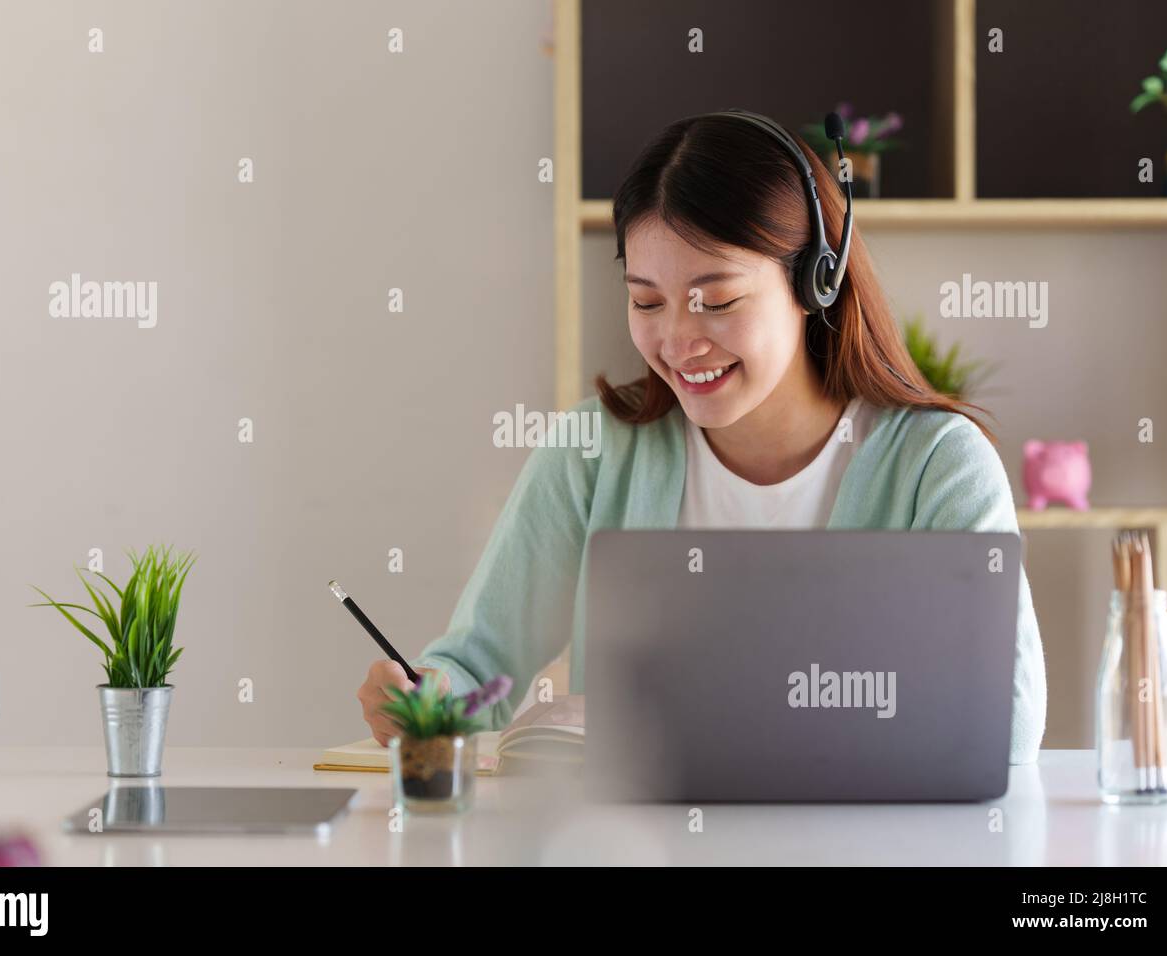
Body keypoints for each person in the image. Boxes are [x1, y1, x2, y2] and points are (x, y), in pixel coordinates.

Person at [356, 112, 1047, 763]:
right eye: (645, 301)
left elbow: (1006, 720)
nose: (679, 340)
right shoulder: (593, 453)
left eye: (716, 301)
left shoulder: (937, 466)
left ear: (818, 283)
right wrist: (422, 699)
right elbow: (475, 668)